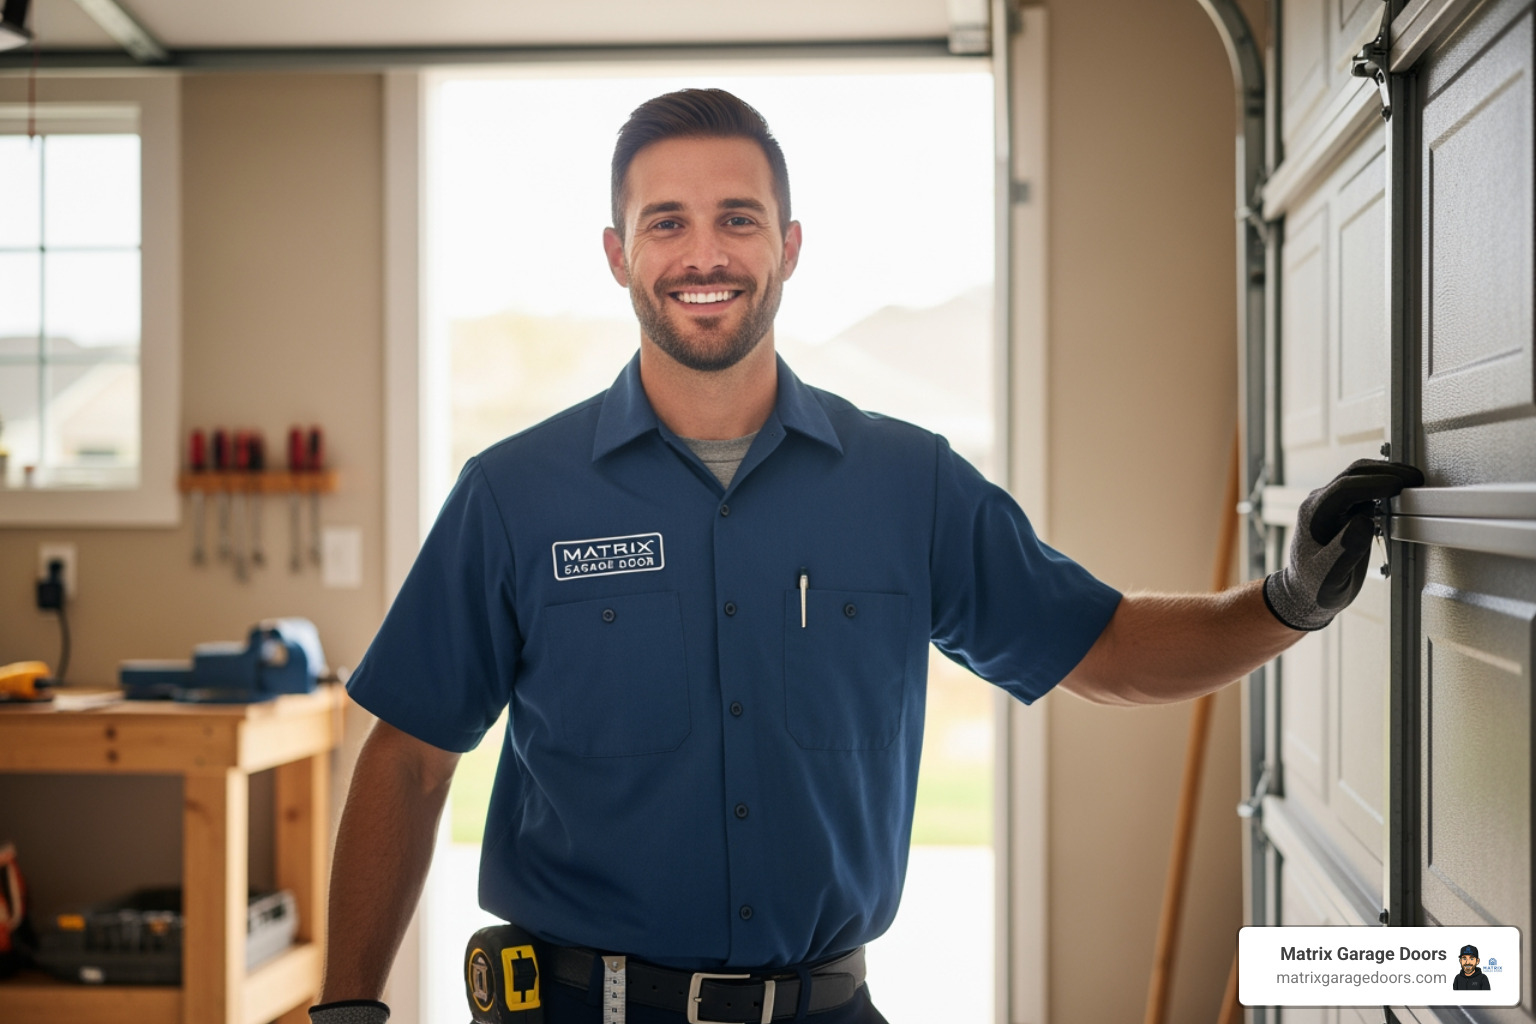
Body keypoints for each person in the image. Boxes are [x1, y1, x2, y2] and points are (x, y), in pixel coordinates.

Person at [309, 88, 1422, 1024]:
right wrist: (349, 1009)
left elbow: (1107, 647)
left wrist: (1286, 601)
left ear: (789, 246)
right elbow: (407, 761)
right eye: (666, 222)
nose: (705, 254)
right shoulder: (514, 496)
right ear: (618, 254)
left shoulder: (907, 484)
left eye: (738, 219)